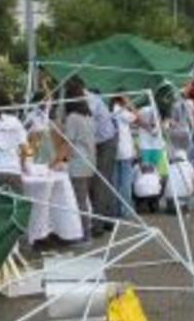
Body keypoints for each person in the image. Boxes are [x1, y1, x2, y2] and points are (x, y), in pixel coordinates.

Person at [76, 80, 118, 227]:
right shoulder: (82, 98)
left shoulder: (90, 99)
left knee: (101, 180)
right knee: (103, 180)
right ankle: (109, 219)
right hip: (100, 141)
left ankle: (99, 223)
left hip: (106, 141)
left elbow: (87, 121)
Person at [53, 99, 96, 241]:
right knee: (84, 200)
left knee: (78, 201)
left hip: (78, 164)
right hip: (89, 162)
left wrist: (55, 161)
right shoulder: (89, 118)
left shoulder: (73, 118)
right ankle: (85, 232)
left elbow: (68, 143)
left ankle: (83, 234)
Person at [111, 94, 139, 217]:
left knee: (116, 182)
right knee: (126, 182)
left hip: (115, 150)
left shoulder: (111, 110)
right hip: (125, 151)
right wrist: (130, 104)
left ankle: (116, 209)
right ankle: (126, 210)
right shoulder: (121, 111)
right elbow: (137, 116)